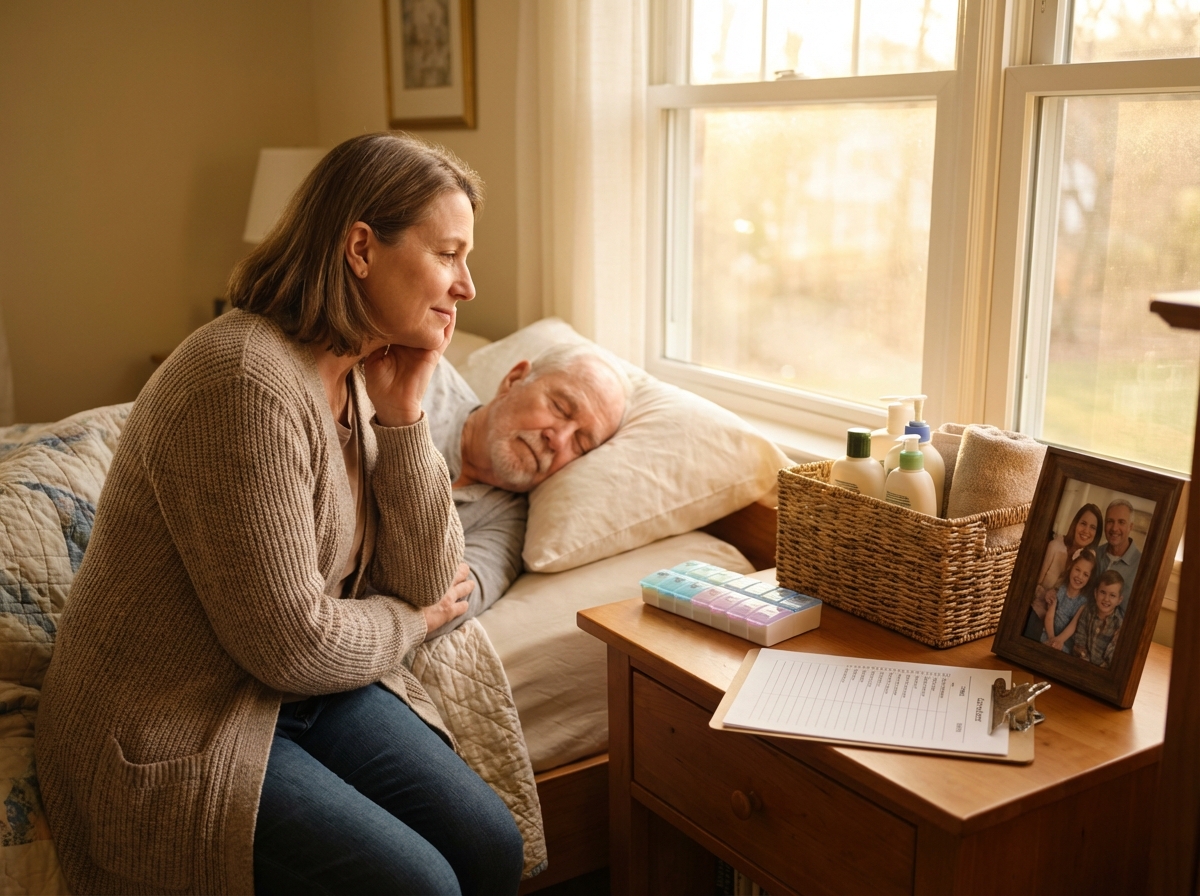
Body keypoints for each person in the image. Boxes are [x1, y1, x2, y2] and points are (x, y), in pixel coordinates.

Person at [35, 133, 524, 895]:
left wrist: (403, 418)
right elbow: (297, 642)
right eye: (448, 254)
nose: (466, 285)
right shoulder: (243, 380)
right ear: (361, 248)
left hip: (290, 692)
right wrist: (414, 624)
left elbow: (427, 572)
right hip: (171, 720)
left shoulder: (364, 370)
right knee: (420, 885)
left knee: (492, 844)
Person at [422, 345, 629, 638]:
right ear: (514, 379)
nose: (558, 439)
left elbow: (438, 611)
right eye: (559, 407)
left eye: (581, 443)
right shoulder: (421, 376)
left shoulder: (509, 526)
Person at [1023, 502, 1102, 640]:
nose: (1086, 531)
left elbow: (1084, 595)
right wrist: (1046, 594)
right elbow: (1034, 585)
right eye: (1083, 523)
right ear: (1075, 524)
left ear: (1096, 534)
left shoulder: (1091, 557)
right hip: (1041, 611)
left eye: (1093, 527)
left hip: (1067, 621)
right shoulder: (1055, 547)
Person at [1041, 548, 1097, 653]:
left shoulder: (1083, 602)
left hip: (1065, 641)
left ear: (1090, 578)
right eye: (1077, 570)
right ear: (1071, 567)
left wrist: (1059, 641)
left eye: (1085, 574)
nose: (1079, 576)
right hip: (1049, 633)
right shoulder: (1060, 589)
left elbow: (1073, 625)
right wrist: (1051, 638)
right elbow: (1050, 616)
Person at [1072, 569, 1126, 668]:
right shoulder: (1088, 611)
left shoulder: (1119, 623)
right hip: (1082, 663)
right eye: (1103, 592)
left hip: (1103, 670)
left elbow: (1112, 654)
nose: (1106, 599)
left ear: (1119, 600)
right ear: (1095, 593)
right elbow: (1080, 637)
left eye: (1112, 595)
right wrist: (1084, 658)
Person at [1096, 498, 1142, 611]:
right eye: (1110, 521)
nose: (1114, 528)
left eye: (1121, 522)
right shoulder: (1095, 554)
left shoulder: (1141, 566)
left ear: (1130, 527)